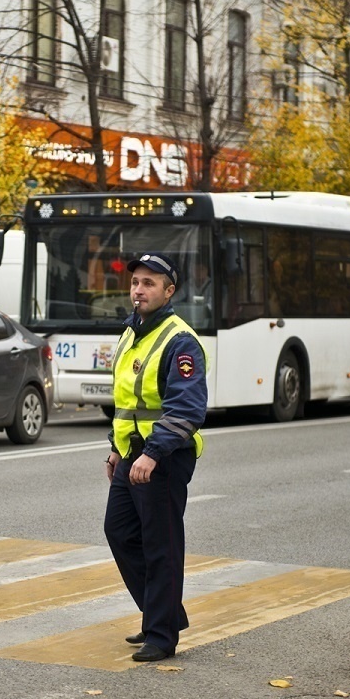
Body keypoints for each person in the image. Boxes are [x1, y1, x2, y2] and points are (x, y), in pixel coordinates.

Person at [104, 252, 208, 662]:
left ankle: (162, 636)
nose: (139, 289)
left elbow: (187, 407)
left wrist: (153, 453)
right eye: (135, 282)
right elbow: (126, 401)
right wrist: (116, 447)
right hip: (133, 453)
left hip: (163, 458)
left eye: (149, 283)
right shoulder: (132, 333)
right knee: (120, 532)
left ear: (169, 291)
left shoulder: (179, 340)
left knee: (161, 545)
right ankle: (161, 613)